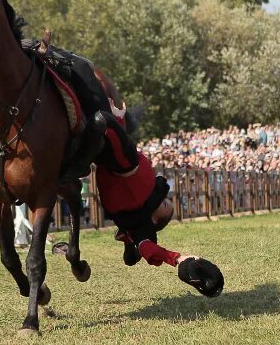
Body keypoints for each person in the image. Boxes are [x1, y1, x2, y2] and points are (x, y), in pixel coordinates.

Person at [80, 102, 223, 297]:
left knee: (101, 119)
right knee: (103, 120)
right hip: (118, 162)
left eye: (165, 205)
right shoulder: (146, 207)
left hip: (126, 167)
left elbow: (148, 248)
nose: (164, 199)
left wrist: (178, 259)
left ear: (155, 219)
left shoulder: (143, 225)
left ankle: (77, 163)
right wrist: (121, 119)